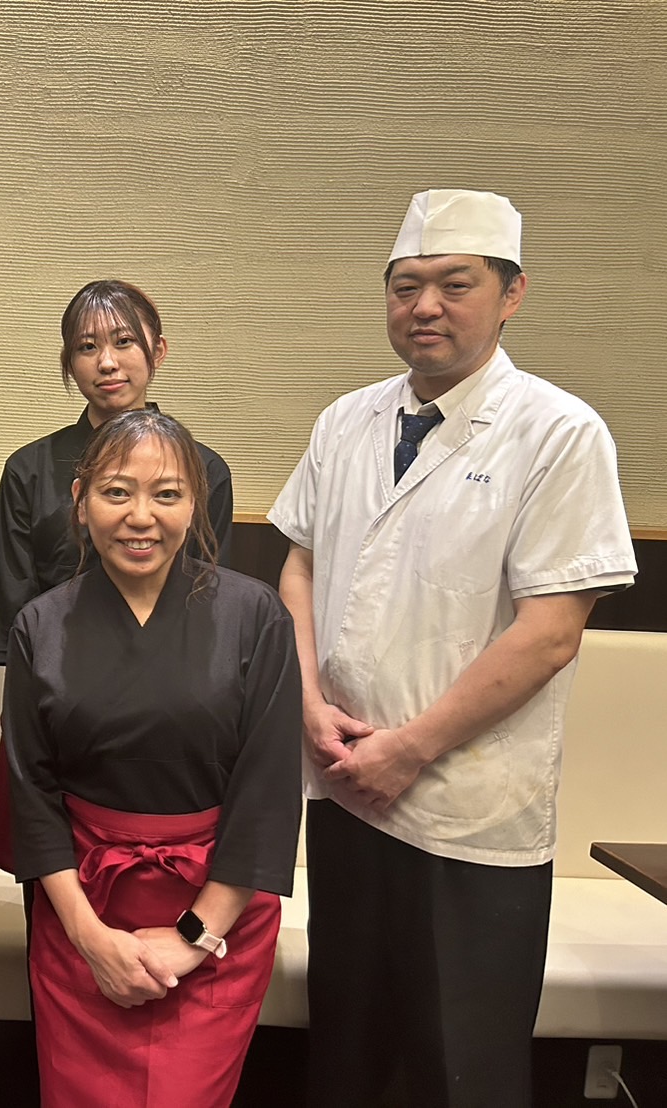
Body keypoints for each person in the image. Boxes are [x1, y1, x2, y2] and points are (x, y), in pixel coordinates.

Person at [269, 189, 638, 1107]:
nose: (424, 306)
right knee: (347, 1055)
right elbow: (297, 568)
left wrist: (409, 748)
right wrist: (306, 703)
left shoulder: (558, 433)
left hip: (466, 814)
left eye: (453, 284)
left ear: (511, 294)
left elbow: (549, 633)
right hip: (344, 787)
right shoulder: (344, 421)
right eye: (405, 286)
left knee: (458, 1068)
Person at [3, 409, 301, 1108]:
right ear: (80, 502)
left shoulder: (256, 617)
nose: (141, 517)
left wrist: (192, 938)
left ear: (195, 505)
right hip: (82, 912)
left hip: (218, 917)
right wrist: (90, 939)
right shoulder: (40, 625)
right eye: (116, 492)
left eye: (166, 494)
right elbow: (30, 795)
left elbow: (265, 794)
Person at [0, 279, 235, 877]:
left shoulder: (203, 470)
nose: (106, 362)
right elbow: (17, 613)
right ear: (68, 361)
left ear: (158, 351)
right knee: (55, 882)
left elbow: (210, 604)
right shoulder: (28, 469)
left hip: (169, 715)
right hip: (59, 709)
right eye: (86, 346)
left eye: (124, 342)